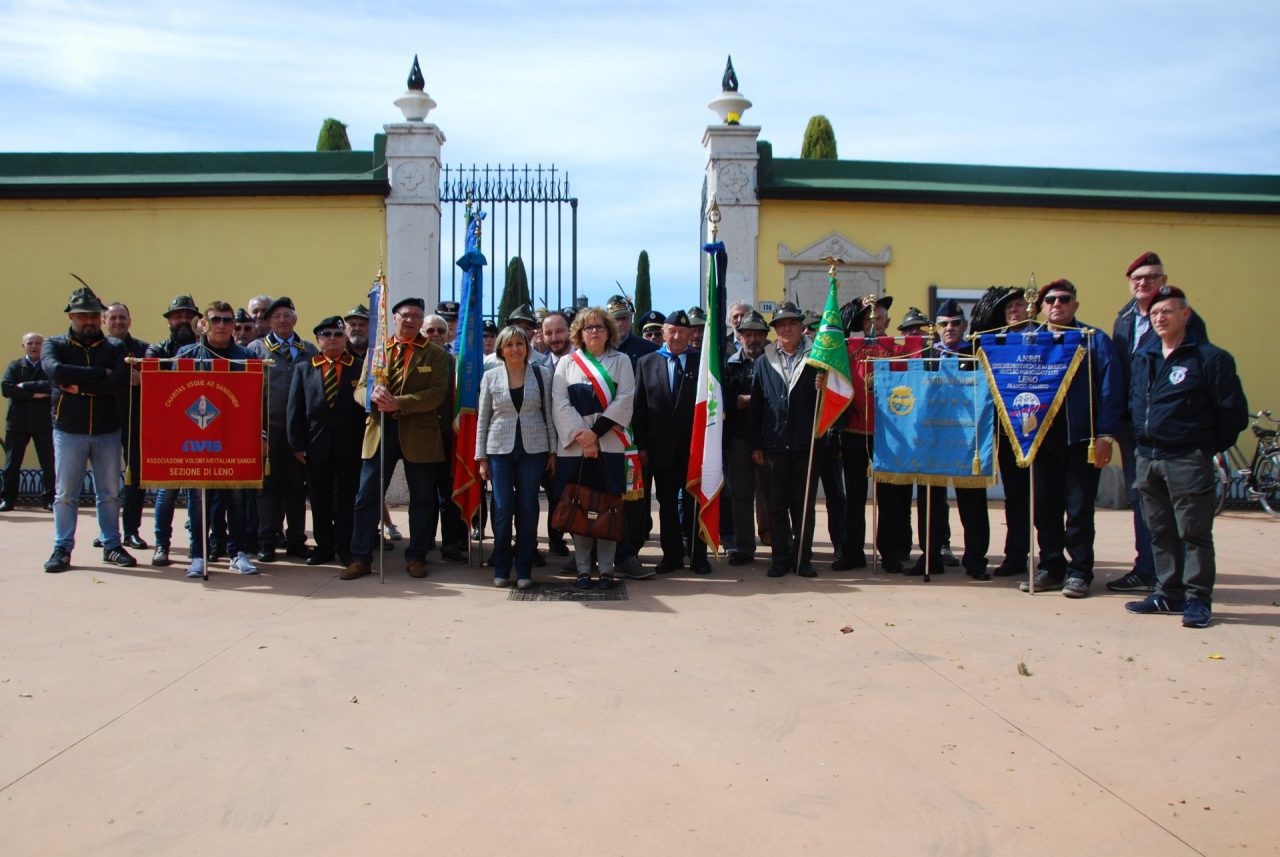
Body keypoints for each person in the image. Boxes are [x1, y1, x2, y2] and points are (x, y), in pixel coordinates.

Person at [1124, 286, 1247, 628]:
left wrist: (1201, 448)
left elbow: (1232, 414)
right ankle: (1168, 592)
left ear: (1185, 315)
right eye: (1155, 313)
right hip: (1148, 457)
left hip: (1186, 459)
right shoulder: (1144, 358)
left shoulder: (1210, 359)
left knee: (1193, 532)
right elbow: (1135, 403)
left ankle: (1197, 599)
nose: (1160, 318)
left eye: (1168, 311)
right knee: (1160, 531)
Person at [1109, 251, 1210, 593]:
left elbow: (1199, 375)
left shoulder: (1184, 319)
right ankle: (1148, 568)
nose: (1143, 283)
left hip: (1173, 431)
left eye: (1151, 277)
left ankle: (1180, 580)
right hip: (1134, 426)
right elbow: (1120, 373)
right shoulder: (1123, 319)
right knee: (1143, 500)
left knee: (1181, 508)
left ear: (1163, 281)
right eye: (1137, 278)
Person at [1019, 279, 1123, 598]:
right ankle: (1051, 566)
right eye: (1050, 299)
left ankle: (1079, 571)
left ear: (1075, 304)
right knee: (1045, 508)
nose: (1057, 304)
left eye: (1064, 299)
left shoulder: (1093, 340)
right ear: (1041, 305)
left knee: (1078, 509)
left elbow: (1110, 389)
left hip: (1080, 438)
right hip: (1040, 438)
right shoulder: (1030, 340)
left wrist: (1106, 433)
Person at [343, 297, 451, 581]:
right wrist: (370, 397)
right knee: (366, 497)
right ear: (394, 317)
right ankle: (361, 557)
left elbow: (437, 394)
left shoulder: (437, 355)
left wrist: (399, 403)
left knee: (423, 500)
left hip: (420, 434)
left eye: (417, 316)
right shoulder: (377, 350)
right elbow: (359, 388)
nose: (411, 320)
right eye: (406, 315)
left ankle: (416, 555)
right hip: (380, 431)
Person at [41, 285, 135, 572]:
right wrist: (98, 375)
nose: (89, 321)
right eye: (82, 316)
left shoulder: (116, 347)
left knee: (109, 492)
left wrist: (79, 387)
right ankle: (62, 548)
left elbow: (119, 379)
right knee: (66, 493)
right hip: (69, 429)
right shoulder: (54, 344)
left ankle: (111, 545)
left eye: (93, 315)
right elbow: (56, 371)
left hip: (107, 428)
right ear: (71, 317)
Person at [552, 307, 635, 589]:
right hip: (575, 449)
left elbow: (625, 398)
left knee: (608, 508)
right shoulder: (566, 363)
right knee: (579, 507)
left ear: (608, 330)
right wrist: (584, 439)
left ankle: (608, 570)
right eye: (589, 328)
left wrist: (595, 435)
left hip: (609, 445)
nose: (595, 332)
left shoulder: (621, 361)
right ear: (580, 333)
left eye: (600, 326)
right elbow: (560, 404)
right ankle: (584, 570)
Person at [175, 301, 259, 577]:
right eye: (216, 320)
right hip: (197, 437)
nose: (221, 325)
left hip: (234, 437)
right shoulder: (187, 355)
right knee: (198, 499)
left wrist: (261, 434)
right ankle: (199, 555)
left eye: (226, 320)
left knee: (236, 498)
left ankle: (237, 553)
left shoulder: (246, 357)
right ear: (205, 323)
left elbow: (258, 400)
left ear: (234, 325)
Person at [908, 300, 990, 579]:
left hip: (968, 440)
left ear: (964, 326)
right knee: (930, 502)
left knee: (972, 503)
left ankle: (976, 560)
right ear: (936, 328)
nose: (950, 328)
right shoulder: (926, 355)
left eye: (955, 323)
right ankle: (930, 557)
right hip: (933, 436)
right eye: (944, 323)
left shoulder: (977, 354)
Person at [476, 325, 557, 588]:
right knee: (502, 508)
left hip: (534, 450)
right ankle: (501, 565)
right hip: (499, 450)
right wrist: (481, 458)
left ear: (527, 348)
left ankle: (524, 569)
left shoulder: (541, 373)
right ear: (501, 349)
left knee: (528, 507)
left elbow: (549, 414)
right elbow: (483, 419)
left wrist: (553, 450)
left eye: (520, 344)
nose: (515, 349)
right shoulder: (490, 377)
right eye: (509, 345)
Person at [634, 309, 709, 574]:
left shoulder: (702, 363)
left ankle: (698, 557)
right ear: (663, 333)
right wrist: (642, 446)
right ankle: (672, 557)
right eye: (672, 331)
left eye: (683, 332)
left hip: (694, 449)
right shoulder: (646, 362)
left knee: (694, 504)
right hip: (660, 449)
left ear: (691, 335)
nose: (677, 337)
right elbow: (639, 408)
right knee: (666, 506)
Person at [288, 316, 366, 568]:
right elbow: (295, 409)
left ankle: (345, 548)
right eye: (326, 335)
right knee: (319, 499)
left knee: (346, 498)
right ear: (318, 340)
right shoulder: (304, 367)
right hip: (315, 445)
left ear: (346, 338)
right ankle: (324, 547)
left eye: (337, 334)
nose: (332, 339)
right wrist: (296, 444)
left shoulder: (360, 366)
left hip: (350, 445)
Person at [750, 302, 821, 578]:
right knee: (776, 506)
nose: (787, 328)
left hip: (806, 445)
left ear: (801, 327)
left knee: (803, 507)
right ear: (776, 330)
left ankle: (803, 559)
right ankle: (780, 557)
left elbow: (829, 400)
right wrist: (756, 444)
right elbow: (756, 407)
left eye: (791, 323)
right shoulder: (763, 361)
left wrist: (823, 385)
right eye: (781, 324)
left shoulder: (818, 358)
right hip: (774, 445)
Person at [246, 296, 317, 563]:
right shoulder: (255, 349)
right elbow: (249, 394)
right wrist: (257, 431)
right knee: (267, 488)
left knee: (296, 487)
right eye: (277, 317)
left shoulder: (308, 349)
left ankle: (296, 540)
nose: (283, 320)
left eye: (287, 315)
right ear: (268, 321)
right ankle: (267, 541)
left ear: (295, 319)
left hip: (298, 430)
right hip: (269, 428)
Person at [970, 287, 1035, 577]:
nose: (1015, 311)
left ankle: (1053, 557)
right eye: (1009, 307)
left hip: (1039, 423)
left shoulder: (1044, 338)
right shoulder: (995, 341)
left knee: (1046, 499)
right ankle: (1016, 555)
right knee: (1016, 496)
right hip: (1007, 427)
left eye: (1020, 305)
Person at [145, 295, 203, 566]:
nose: (182, 320)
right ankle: (162, 545)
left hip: (201, 428)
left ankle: (196, 545)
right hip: (170, 430)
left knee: (196, 492)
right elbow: (153, 386)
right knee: (166, 493)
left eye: (187, 315)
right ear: (169, 320)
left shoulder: (205, 350)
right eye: (177, 316)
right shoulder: (156, 350)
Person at [603, 294, 658, 579]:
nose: (620, 324)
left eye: (624, 318)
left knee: (636, 501)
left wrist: (645, 443)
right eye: (614, 319)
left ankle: (630, 553)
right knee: (603, 497)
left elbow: (650, 401)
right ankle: (600, 553)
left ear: (631, 319)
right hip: (603, 436)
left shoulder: (648, 349)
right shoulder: (595, 350)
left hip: (634, 440)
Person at [721, 310, 770, 565]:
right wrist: (751, 400)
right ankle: (744, 547)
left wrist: (746, 400)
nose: (753, 339)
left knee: (772, 495)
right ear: (739, 336)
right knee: (740, 495)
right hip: (739, 438)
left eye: (758, 334)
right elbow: (725, 403)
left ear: (765, 337)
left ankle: (777, 542)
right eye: (747, 334)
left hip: (769, 438)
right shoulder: (729, 365)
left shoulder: (774, 362)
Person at [102, 303, 149, 550]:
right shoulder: (97, 349)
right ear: (104, 322)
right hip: (102, 421)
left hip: (134, 422)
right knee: (106, 482)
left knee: (134, 478)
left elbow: (155, 378)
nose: (118, 322)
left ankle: (131, 531)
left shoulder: (143, 349)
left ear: (130, 320)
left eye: (122, 317)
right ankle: (107, 532)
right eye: (113, 317)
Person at [2, 332, 55, 512]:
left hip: (44, 422)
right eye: (30, 343)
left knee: (49, 463)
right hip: (17, 423)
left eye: (38, 343)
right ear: (23, 346)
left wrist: (23, 386)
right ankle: (8, 499)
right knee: (11, 464)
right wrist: (34, 394)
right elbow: (7, 388)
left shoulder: (49, 366)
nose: (34, 346)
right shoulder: (15, 366)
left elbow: (53, 387)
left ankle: (49, 499)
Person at [539, 310, 574, 556]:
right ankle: (555, 539)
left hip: (576, 441)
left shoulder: (583, 362)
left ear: (570, 331)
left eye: (560, 331)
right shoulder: (537, 366)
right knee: (554, 495)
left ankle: (584, 547)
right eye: (548, 333)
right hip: (547, 443)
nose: (554, 337)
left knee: (576, 495)